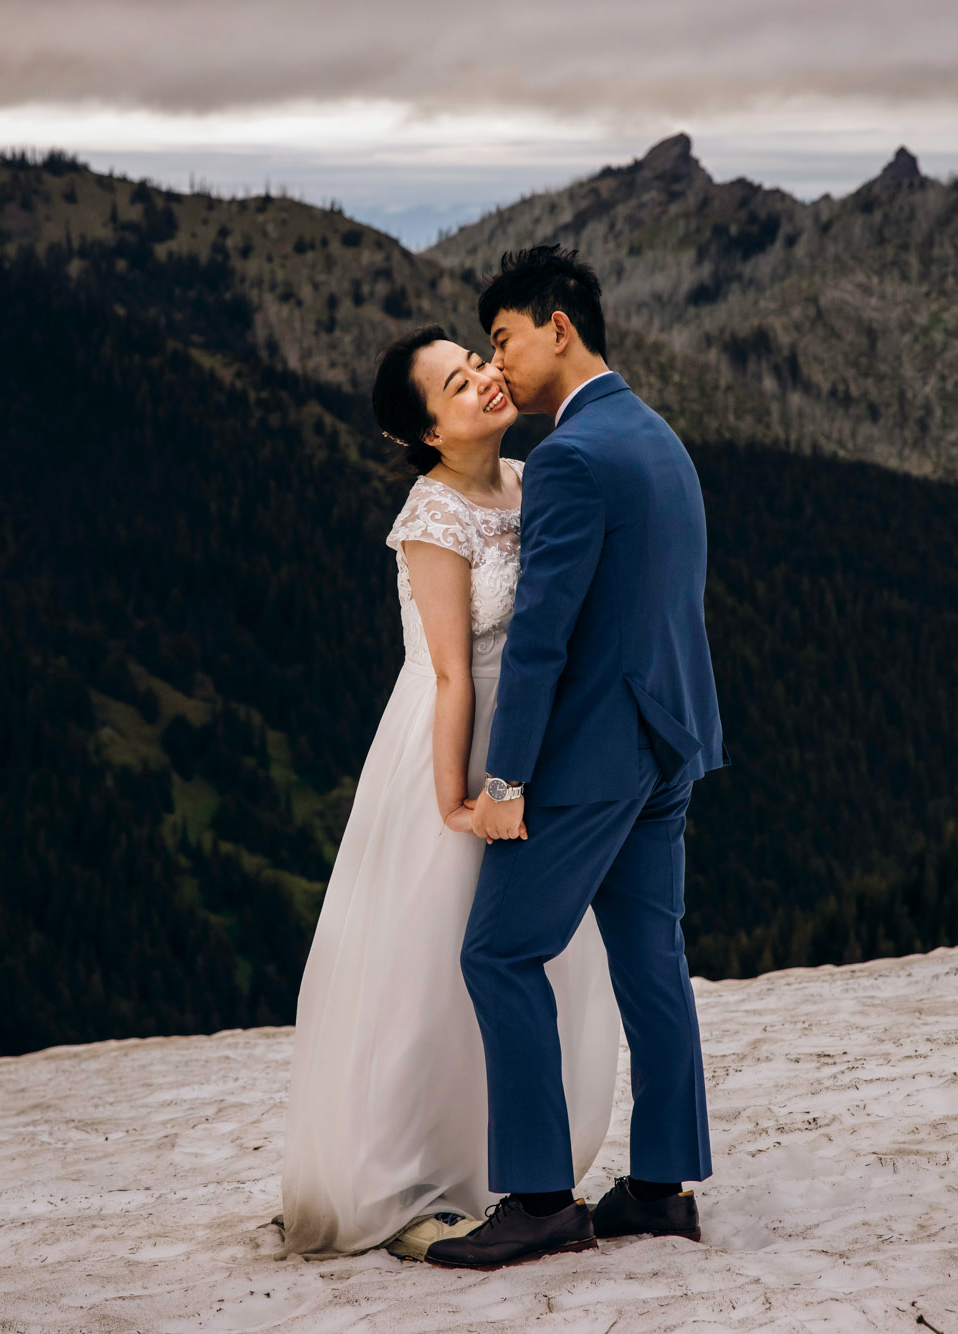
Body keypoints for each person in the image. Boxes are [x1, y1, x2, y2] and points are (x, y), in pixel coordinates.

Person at [278, 324, 620, 1259]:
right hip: (457, 749)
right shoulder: (432, 516)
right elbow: (447, 674)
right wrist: (454, 805)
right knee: (431, 964)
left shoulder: (525, 480)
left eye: (477, 364)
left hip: (530, 745)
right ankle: (414, 1174)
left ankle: (504, 1161)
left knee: (523, 960)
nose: (484, 383)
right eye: (458, 385)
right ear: (428, 431)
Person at [425, 245, 727, 1269]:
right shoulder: (654, 433)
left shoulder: (566, 455)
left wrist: (503, 782)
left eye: (503, 337)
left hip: (595, 750)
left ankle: (541, 1196)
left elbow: (543, 634)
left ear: (558, 325)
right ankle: (659, 1187)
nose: (497, 363)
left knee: (498, 951)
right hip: (669, 735)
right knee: (650, 954)